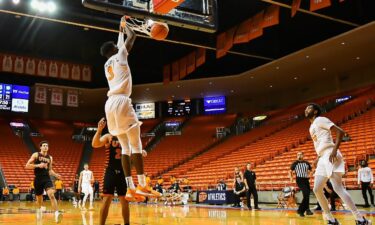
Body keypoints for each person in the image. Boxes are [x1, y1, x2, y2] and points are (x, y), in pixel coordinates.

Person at [100, 16, 159, 201]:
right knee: (136, 145)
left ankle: (130, 188)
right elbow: (131, 37)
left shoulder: (107, 63)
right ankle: (142, 184)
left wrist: (121, 27)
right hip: (121, 102)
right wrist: (130, 28)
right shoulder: (120, 55)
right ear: (114, 50)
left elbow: (120, 42)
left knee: (125, 147)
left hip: (110, 105)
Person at [305, 103, 371, 225]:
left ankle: (360, 219)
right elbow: (321, 143)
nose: (306, 110)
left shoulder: (320, 119)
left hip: (331, 154)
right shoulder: (312, 126)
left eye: (309, 108)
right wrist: (317, 157)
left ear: (315, 112)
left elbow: (340, 132)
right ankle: (330, 219)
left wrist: (334, 150)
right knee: (317, 189)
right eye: (306, 108)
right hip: (322, 157)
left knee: (337, 187)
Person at [91, 118, 131, 225]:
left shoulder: (127, 136)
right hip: (110, 171)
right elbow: (95, 144)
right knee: (107, 198)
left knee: (125, 200)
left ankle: (127, 223)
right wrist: (99, 130)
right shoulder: (109, 136)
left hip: (123, 172)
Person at [25, 140, 62, 223]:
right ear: (40, 147)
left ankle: (56, 214)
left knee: (51, 195)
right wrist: (38, 165)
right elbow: (27, 166)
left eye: (47, 146)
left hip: (47, 178)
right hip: (38, 179)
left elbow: (50, 170)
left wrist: (56, 175)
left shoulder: (50, 157)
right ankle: (39, 209)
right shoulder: (36, 154)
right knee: (39, 199)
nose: (45, 147)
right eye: (44, 145)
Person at [289, 152, 313, 216]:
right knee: (306, 193)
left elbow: (311, 170)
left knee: (307, 195)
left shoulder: (306, 163)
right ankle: (300, 210)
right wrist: (291, 178)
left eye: (301, 154)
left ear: (303, 155)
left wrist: (310, 175)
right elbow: (290, 171)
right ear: (297, 156)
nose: (299, 155)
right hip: (299, 180)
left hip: (306, 180)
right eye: (298, 155)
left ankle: (307, 210)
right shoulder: (295, 163)